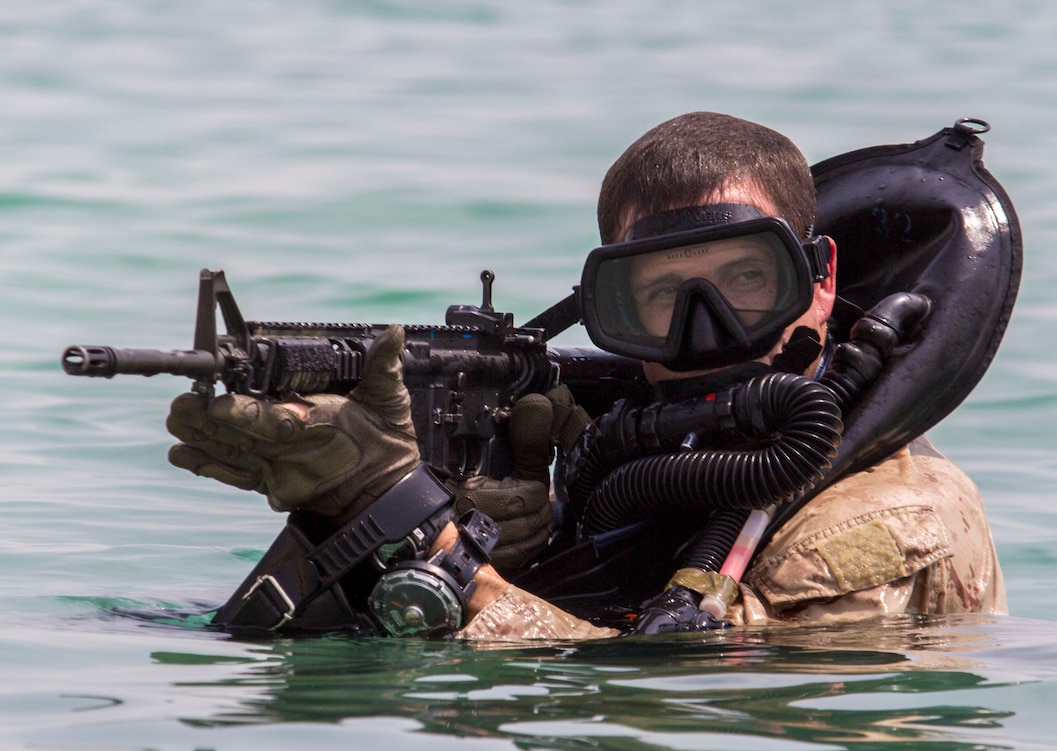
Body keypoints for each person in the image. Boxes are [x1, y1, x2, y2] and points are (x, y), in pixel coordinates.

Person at [166, 112, 1007, 640]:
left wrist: (427, 539)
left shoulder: (886, 520)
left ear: (820, 279)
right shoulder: (650, 462)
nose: (702, 333)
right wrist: (396, 524)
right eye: (659, 298)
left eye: (746, 283)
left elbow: (695, 705)